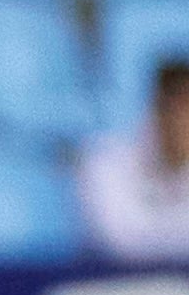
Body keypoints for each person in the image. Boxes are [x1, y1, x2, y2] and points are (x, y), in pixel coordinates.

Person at [78, 57, 189, 262]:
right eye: (178, 104)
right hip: (118, 288)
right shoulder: (105, 163)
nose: (182, 119)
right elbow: (119, 242)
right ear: (158, 106)